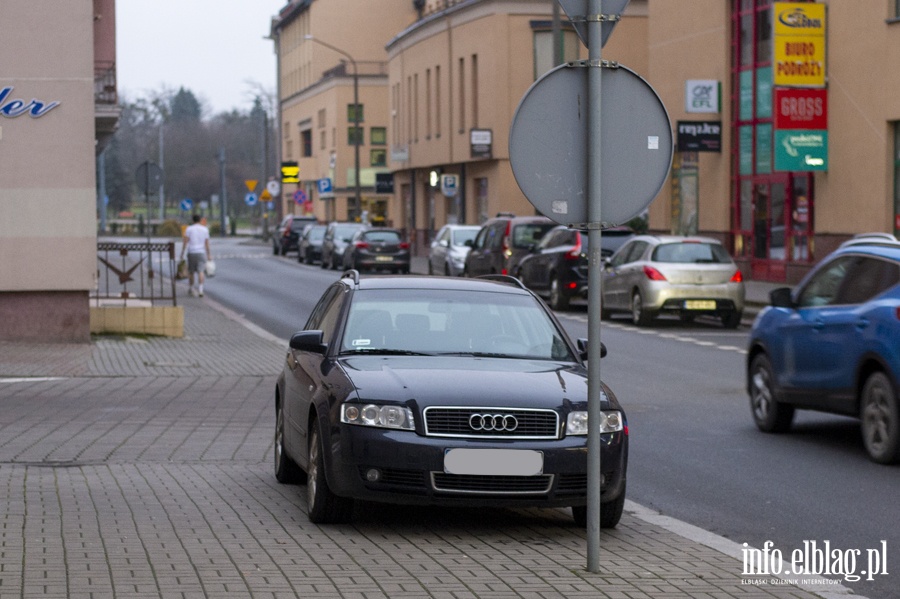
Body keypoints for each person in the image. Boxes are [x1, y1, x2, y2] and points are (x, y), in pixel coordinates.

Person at [180, 214, 211, 297]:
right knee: (201, 271)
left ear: (192, 220)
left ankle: (191, 288)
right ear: (200, 220)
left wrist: (182, 253)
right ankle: (201, 289)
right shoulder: (205, 229)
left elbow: (185, 241)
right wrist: (209, 254)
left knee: (191, 271)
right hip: (201, 252)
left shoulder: (189, 229)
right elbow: (206, 243)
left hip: (191, 252)